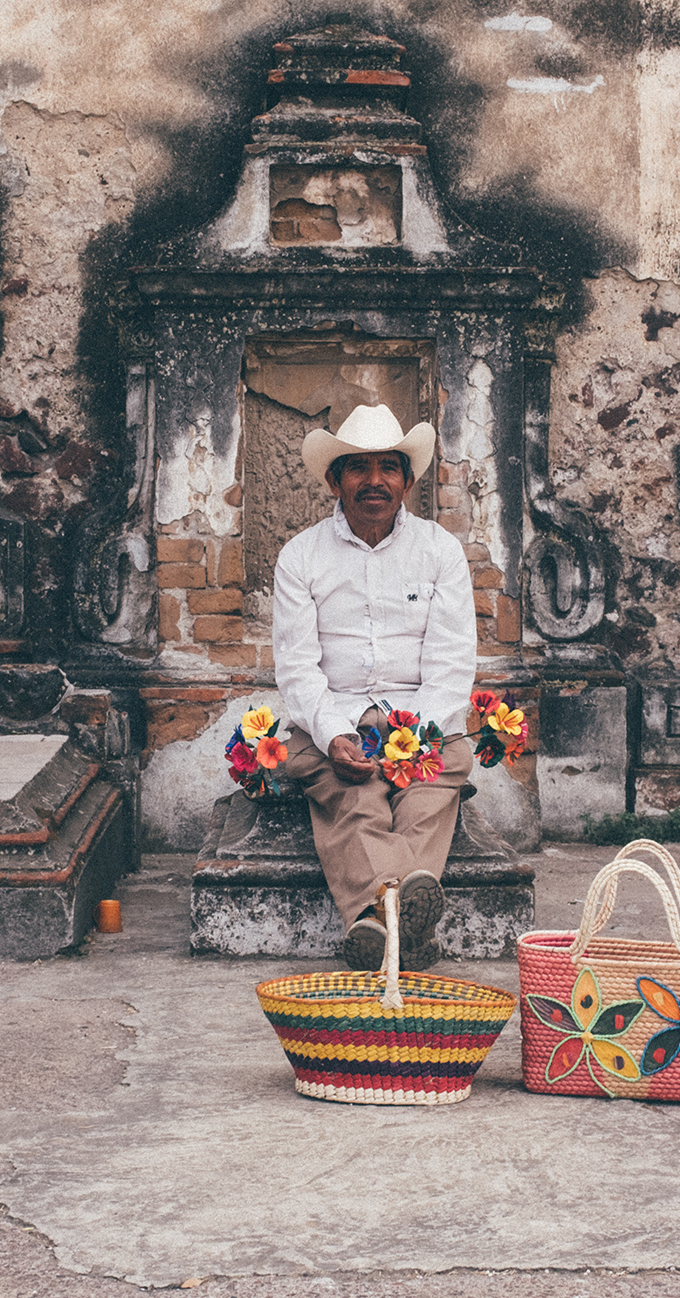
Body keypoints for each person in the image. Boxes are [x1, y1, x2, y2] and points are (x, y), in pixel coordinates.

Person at [271, 403, 476, 971]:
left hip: (420, 718)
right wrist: (336, 733)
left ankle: (377, 916)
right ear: (335, 480)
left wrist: (413, 735)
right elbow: (296, 667)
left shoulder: (439, 550)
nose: (375, 481)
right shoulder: (301, 556)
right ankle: (403, 914)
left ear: (408, 480)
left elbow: (453, 661)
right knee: (356, 795)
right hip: (333, 717)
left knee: (437, 780)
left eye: (389, 467)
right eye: (358, 467)